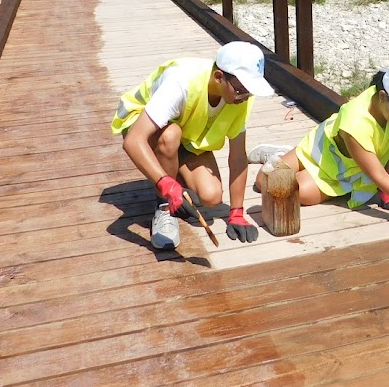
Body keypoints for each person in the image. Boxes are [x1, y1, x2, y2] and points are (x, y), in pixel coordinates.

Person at [112, 41, 274, 249]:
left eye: (250, 91)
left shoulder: (239, 95)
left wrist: (236, 212)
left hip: (185, 135)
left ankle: (174, 179)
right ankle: (164, 207)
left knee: (210, 196)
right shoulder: (182, 81)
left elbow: (238, 156)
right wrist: (166, 184)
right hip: (141, 124)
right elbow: (133, 141)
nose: (245, 97)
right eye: (242, 91)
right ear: (219, 77)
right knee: (170, 136)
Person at [274, 59, 389, 232]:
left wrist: (388, 194)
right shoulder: (354, 122)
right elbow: (378, 175)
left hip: (354, 169)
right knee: (270, 183)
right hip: (322, 151)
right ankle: (280, 154)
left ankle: (311, 174)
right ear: (382, 96)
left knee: (299, 190)